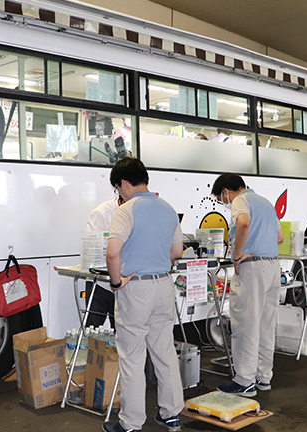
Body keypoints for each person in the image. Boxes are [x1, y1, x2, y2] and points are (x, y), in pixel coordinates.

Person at [103, 158, 184, 432]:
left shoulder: (127, 211)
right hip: (164, 285)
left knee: (132, 356)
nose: (119, 194)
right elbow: (176, 252)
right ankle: (171, 413)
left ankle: (131, 423)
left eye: (118, 189)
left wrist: (116, 283)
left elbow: (112, 252)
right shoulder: (168, 208)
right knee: (164, 351)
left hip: (135, 288)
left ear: (124, 183)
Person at [211, 173, 283, 397]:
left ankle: (244, 381)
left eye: (221, 198)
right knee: (265, 326)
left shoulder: (240, 200)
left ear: (226, 191)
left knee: (245, 325)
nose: (225, 202)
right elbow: (279, 237)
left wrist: (238, 255)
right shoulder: (265, 202)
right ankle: (264, 377)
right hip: (273, 267)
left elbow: (243, 222)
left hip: (253, 269)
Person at [84, 192, 126, 328]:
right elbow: (90, 247)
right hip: (100, 283)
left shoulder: (140, 212)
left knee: (122, 330)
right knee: (93, 330)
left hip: (126, 282)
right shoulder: (102, 212)